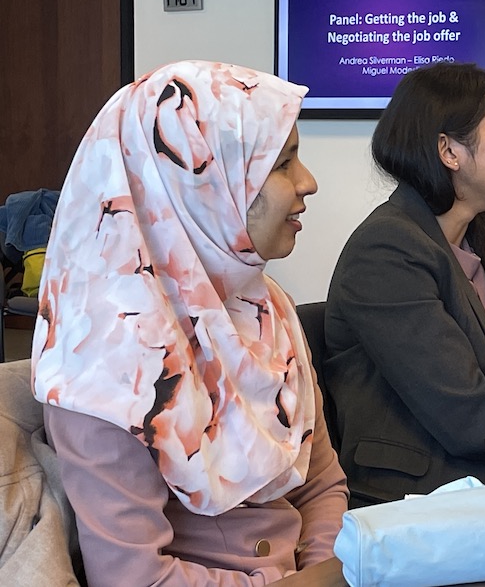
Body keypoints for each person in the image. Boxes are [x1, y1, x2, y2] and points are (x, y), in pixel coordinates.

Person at [31, 60, 348, 585]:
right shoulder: (108, 361)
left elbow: (321, 483)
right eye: (282, 162)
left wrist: (330, 566)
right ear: (196, 180)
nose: (308, 182)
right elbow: (135, 579)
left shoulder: (268, 309)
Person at [324, 63, 485, 506]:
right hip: (422, 499)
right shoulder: (387, 251)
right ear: (449, 151)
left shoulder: (483, 236)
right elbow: (469, 417)